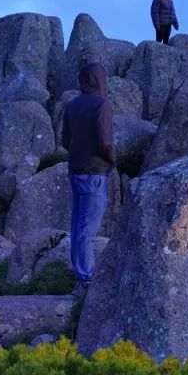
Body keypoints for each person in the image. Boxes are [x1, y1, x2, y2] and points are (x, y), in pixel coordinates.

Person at [61, 62, 115, 299]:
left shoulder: (72, 106)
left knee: (77, 228)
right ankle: (85, 280)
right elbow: (105, 141)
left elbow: (65, 140)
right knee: (87, 229)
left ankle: (80, 277)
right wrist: (111, 159)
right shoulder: (102, 104)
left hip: (75, 172)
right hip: (95, 174)